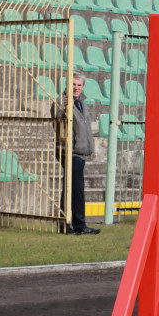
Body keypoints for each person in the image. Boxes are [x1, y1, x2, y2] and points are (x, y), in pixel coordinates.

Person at [53, 74, 100, 235]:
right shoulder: (62, 101)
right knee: (74, 188)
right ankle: (72, 224)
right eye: (73, 84)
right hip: (69, 151)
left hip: (80, 152)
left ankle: (71, 224)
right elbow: (56, 118)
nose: (76, 87)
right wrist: (63, 108)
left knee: (73, 188)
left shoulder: (82, 103)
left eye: (79, 85)